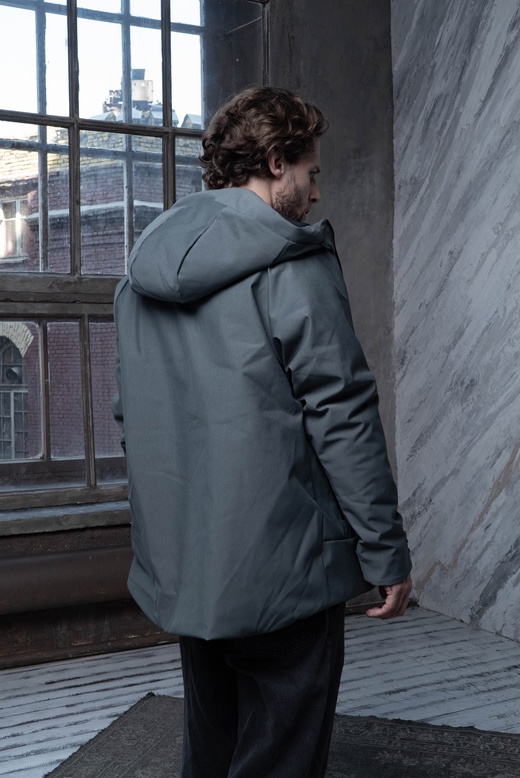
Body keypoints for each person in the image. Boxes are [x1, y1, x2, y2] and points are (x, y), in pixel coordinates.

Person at [112, 85, 412, 778]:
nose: (316, 193)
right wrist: (385, 552)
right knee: (282, 757)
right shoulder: (293, 264)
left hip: (190, 564)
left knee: (213, 748)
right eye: (311, 171)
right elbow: (343, 417)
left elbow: (134, 417)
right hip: (287, 565)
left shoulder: (141, 271)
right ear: (277, 163)